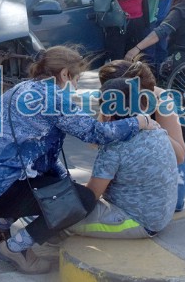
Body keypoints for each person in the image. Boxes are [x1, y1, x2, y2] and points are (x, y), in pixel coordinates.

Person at [0, 45, 161, 275]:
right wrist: (140, 122)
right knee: (80, 201)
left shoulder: (21, 89)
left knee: (48, 184)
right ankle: (16, 248)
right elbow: (95, 133)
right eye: (76, 80)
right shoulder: (52, 97)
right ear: (65, 74)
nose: (75, 87)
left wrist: (64, 181)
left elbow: (38, 158)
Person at [65, 76, 178, 238]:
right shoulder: (157, 130)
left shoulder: (114, 145)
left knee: (56, 215)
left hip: (136, 222)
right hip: (159, 216)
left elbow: (91, 196)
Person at [98, 59, 185, 212]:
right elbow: (96, 142)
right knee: (122, 202)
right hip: (138, 155)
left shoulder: (161, 100)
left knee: (171, 204)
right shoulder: (113, 101)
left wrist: (147, 124)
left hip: (175, 156)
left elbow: (179, 156)